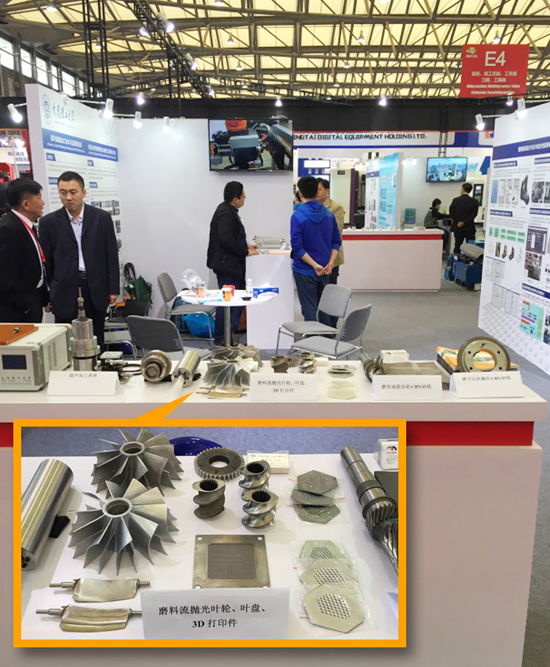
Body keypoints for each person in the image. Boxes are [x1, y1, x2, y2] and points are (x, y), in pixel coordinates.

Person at [39, 171, 119, 350]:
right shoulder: (48, 223)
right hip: (64, 288)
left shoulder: (101, 218)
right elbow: (47, 262)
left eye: (73, 192)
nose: (68, 197)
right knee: (66, 341)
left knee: (96, 337)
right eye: (63, 192)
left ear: (83, 192)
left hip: (94, 286)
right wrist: (48, 294)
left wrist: (113, 288)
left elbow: (111, 254)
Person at [206, 181, 259, 346]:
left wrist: (246, 247)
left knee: (237, 299)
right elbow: (227, 239)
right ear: (235, 199)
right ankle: (222, 337)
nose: (245, 197)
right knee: (227, 302)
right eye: (243, 195)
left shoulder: (229, 211)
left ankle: (229, 333)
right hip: (227, 265)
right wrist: (245, 251)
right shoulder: (225, 213)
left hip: (231, 264)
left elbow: (233, 237)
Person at [291, 176, 342, 324]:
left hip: (305, 270)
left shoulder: (298, 216)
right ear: (316, 192)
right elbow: (336, 241)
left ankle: (312, 337)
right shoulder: (328, 214)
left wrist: (314, 265)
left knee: (309, 309)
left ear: (300, 194)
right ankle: (326, 336)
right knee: (324, 307)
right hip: (325, 269)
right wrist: (330, 263)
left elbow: (297, 247)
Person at [0, 178, 49, 323]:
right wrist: (26, 305)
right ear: (26, 204)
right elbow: (6, 278)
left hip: (33, 301)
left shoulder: (27, 226)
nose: (43, 203)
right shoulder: (8, 229)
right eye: (39, 198)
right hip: (18, 311)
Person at [449, 183, 479, 254]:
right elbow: (474, 215)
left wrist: (458, 222)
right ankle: (470, 260)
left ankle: (456, 258)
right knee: (471, 247)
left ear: (462, 189)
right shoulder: (474, 201)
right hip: (469, 227)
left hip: (458, 227)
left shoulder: (455, 200)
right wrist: (464, 222)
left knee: (457, 245)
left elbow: (451, 213)